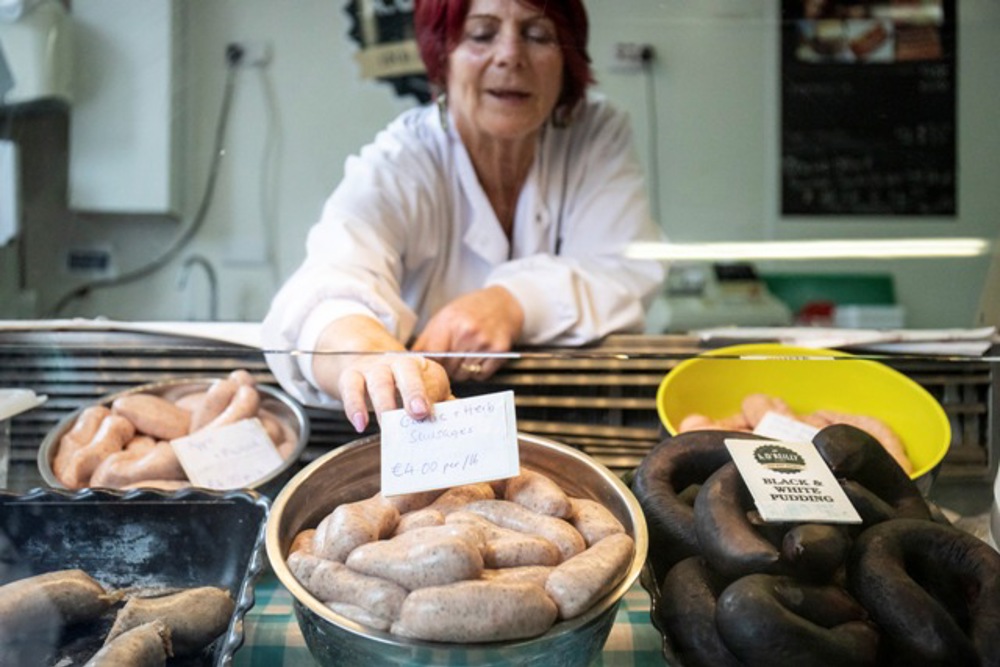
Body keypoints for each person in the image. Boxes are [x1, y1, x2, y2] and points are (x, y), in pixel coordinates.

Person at [262, 0, 665, 433]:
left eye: (538, 35)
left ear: (566, 60)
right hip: (418, 421)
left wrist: (512, 302)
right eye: (481, 34)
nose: (510, 55)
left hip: (569, 413)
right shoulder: (404, 158)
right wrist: (366, 354)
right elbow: (326, 283)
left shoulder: (595, 132)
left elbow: (622, 268)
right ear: (443, 55)